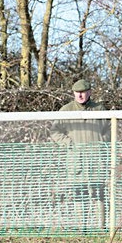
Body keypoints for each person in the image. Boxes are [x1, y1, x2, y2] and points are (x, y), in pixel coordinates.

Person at [50, 79, 110, 231]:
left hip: (97, 159)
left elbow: (110, 129)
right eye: (78, 92)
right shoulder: (65, 110)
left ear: (89, 92)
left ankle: (101, 228)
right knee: (78, 193)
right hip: (76, 160)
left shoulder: (100, 109)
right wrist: (69, 143)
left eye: (83, 92)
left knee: (99, 193)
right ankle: (80, 229)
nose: (80, 95)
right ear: (73, 93)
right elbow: (55, 132)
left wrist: (102, 141)